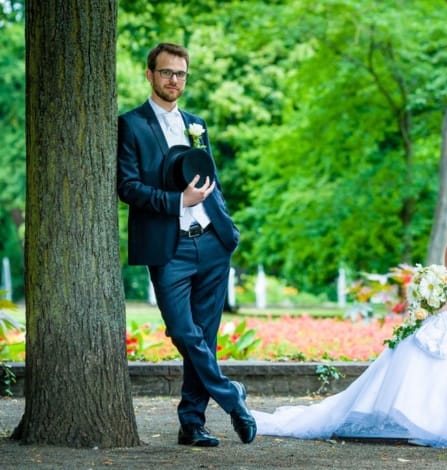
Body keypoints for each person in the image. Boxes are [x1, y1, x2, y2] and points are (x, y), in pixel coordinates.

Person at [250, 175, 447, 448]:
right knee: (424, 329)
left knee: (441, 325)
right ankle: (406, 410)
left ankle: (436, 416)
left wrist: (441, 306)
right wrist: (431, 304)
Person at [117, 43, 256, 447]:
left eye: (180, 74)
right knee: (182, 330)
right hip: (169, 247)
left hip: (212, 243)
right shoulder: (131, 125)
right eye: (166, 73)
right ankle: (232, 396)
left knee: (205, 335)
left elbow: (209, 180)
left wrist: (225, 225)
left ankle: (192, 423)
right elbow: (128, 188)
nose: (173, 80)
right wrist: (178, 202)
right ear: (149, 74)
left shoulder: (197, 124)